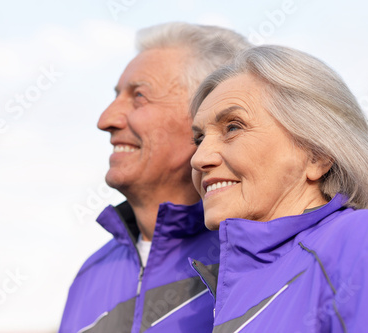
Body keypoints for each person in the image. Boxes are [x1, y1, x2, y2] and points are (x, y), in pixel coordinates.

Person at [59, 22, 250, 333]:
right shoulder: (90, 275)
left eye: (139, 96)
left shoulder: (258, 255)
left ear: (210, 115)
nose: (105, 120)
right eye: (117, 95)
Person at [189, 45, 368, 332]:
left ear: (317, 154)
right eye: (198, 139)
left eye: (233, 127)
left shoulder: (367, 239)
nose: (199, 159)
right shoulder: (228, 290)